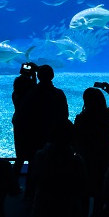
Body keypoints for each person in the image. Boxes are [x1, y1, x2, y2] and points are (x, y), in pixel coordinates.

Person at [18, 64, 68, 202]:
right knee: (55, 166)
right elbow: (65, 115)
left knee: (33, 165)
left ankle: (30, 195)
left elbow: (24, 115)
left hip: (34, 136)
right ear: (52, 76)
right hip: (54, 137)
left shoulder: (31, 93)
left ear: (38, 76)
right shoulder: (58, 94)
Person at [72, 82, 109, 217]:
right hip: (105, 158)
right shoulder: (106, 116)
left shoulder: (80, 119)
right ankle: (97, 214)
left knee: (84, 192)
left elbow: (75, 138)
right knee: (101, 191)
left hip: (85, 159)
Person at [28, 118, 88, 217]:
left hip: (43, 209)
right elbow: (83, 187)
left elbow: (35, 180)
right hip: (70, 210)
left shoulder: (40, 156)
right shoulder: (77, 160)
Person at [10, 62, 38, 179]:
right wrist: (34, 76)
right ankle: (29, 190)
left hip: (18, 124)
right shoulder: (32, 96)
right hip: (31, 127)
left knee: (19, 157)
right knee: (32, 157)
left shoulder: (15, 95)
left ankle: (13, 186)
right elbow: (35, 90)